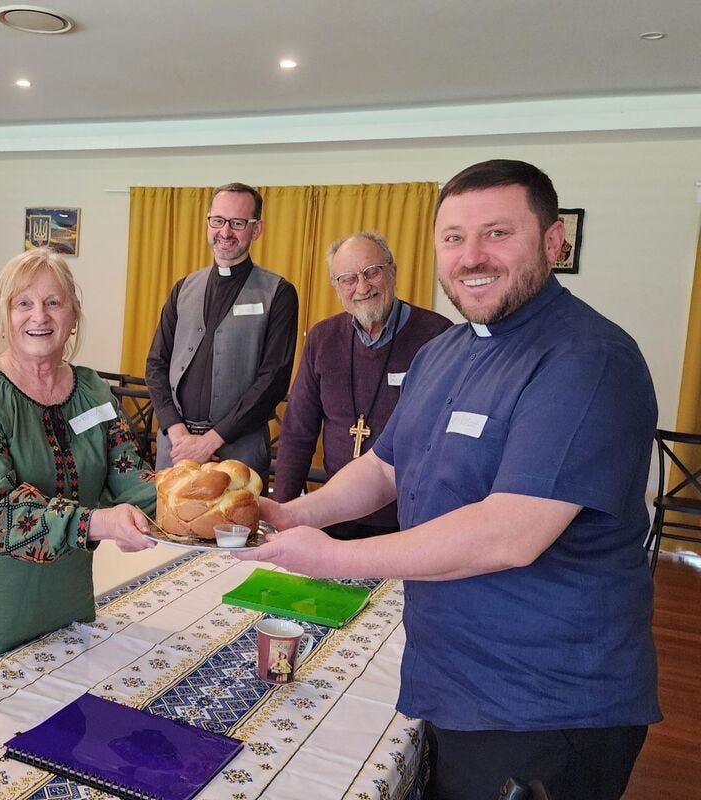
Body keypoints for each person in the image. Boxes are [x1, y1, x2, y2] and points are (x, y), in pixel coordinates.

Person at [237, 160, 658, 800]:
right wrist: (297, 514)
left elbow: (509, 534)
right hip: (452, 681)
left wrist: (336, 557)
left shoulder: (586, 359)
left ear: (553, 242)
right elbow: (385, 467)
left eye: (498, 233)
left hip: (545, 706)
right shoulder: (444, 352)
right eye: (454, 237)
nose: (471, 256)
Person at [0, 248, 157, 685]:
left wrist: (205, 502)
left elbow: (130, 475)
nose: (38, 315)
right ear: (5, 316)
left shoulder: (93, 390)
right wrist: (99, 523)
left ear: (73, 315)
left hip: (64, 611)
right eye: (23, 303)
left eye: (53, 302)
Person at [273, 232, 451, 539]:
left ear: (392, 271)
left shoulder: (438, 337)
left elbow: (446, 444)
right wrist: (283, 514)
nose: (362, 287)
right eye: (349, 279)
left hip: (408, 521)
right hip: (334, 515)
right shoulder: (322, 338)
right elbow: (298, 432)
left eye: (372, 272)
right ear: (337, 287)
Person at [145, 182, 297, 485]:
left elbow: (273, 381)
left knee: (232, 533)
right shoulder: (183, 288)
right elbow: (155, 366)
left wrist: (209, 442)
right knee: (168, 530)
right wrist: (178, 434)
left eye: (238, 223)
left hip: (238, 452)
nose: (225, 232)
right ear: (208, 222)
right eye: (218, 220)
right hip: (176, 449)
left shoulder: (278, 293)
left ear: (256, 229)